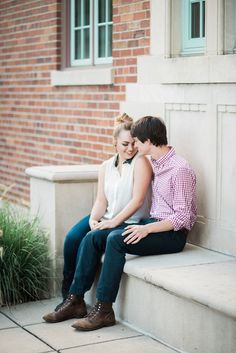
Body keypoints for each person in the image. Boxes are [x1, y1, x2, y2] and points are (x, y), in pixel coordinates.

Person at [69, 116, 197, 331]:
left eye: (136, 141)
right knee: (94, 236)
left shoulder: (179, 169)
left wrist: (146, 228)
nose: (134, 146)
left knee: (116, 239)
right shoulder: (156, 162)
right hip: (152, 223)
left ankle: (104, 310)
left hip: (172, 235)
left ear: (148, 141)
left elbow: (182, 217)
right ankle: (75, 299)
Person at [42, 113, 152, 326]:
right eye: (124, 144)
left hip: (127, 220)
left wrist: (111, 223)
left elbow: (138, 201)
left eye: (133, 144)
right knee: (73, 237)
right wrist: (94, 218)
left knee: (90, 238)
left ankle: (77, 299)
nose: (130, 149)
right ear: (114, 142)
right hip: (109, 214)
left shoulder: (141, 163)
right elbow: (101, 199)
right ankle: (70, 298)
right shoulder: (106, 166)